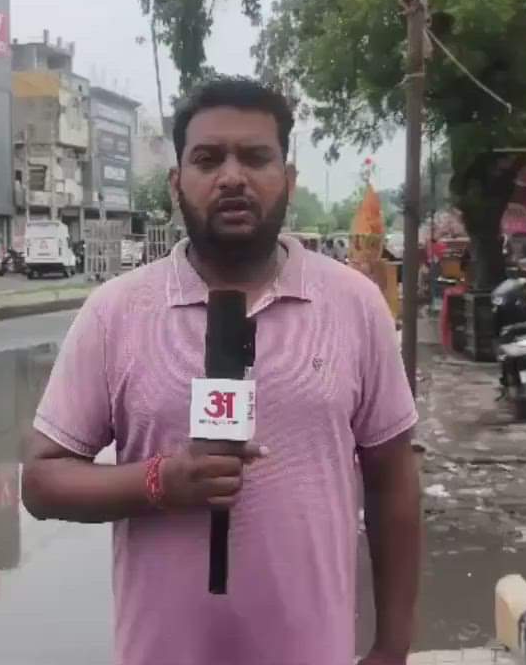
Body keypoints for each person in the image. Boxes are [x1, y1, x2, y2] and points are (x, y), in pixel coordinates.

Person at [21, 77, 421, 665]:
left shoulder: (355, 305)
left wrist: (392, 647)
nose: (232, 176)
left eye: (255, 157)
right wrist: (160, 482)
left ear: (288, 179)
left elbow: (393, 483)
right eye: (208, 159)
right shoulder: (116, 312)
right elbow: (41, 480)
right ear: (176, 182)